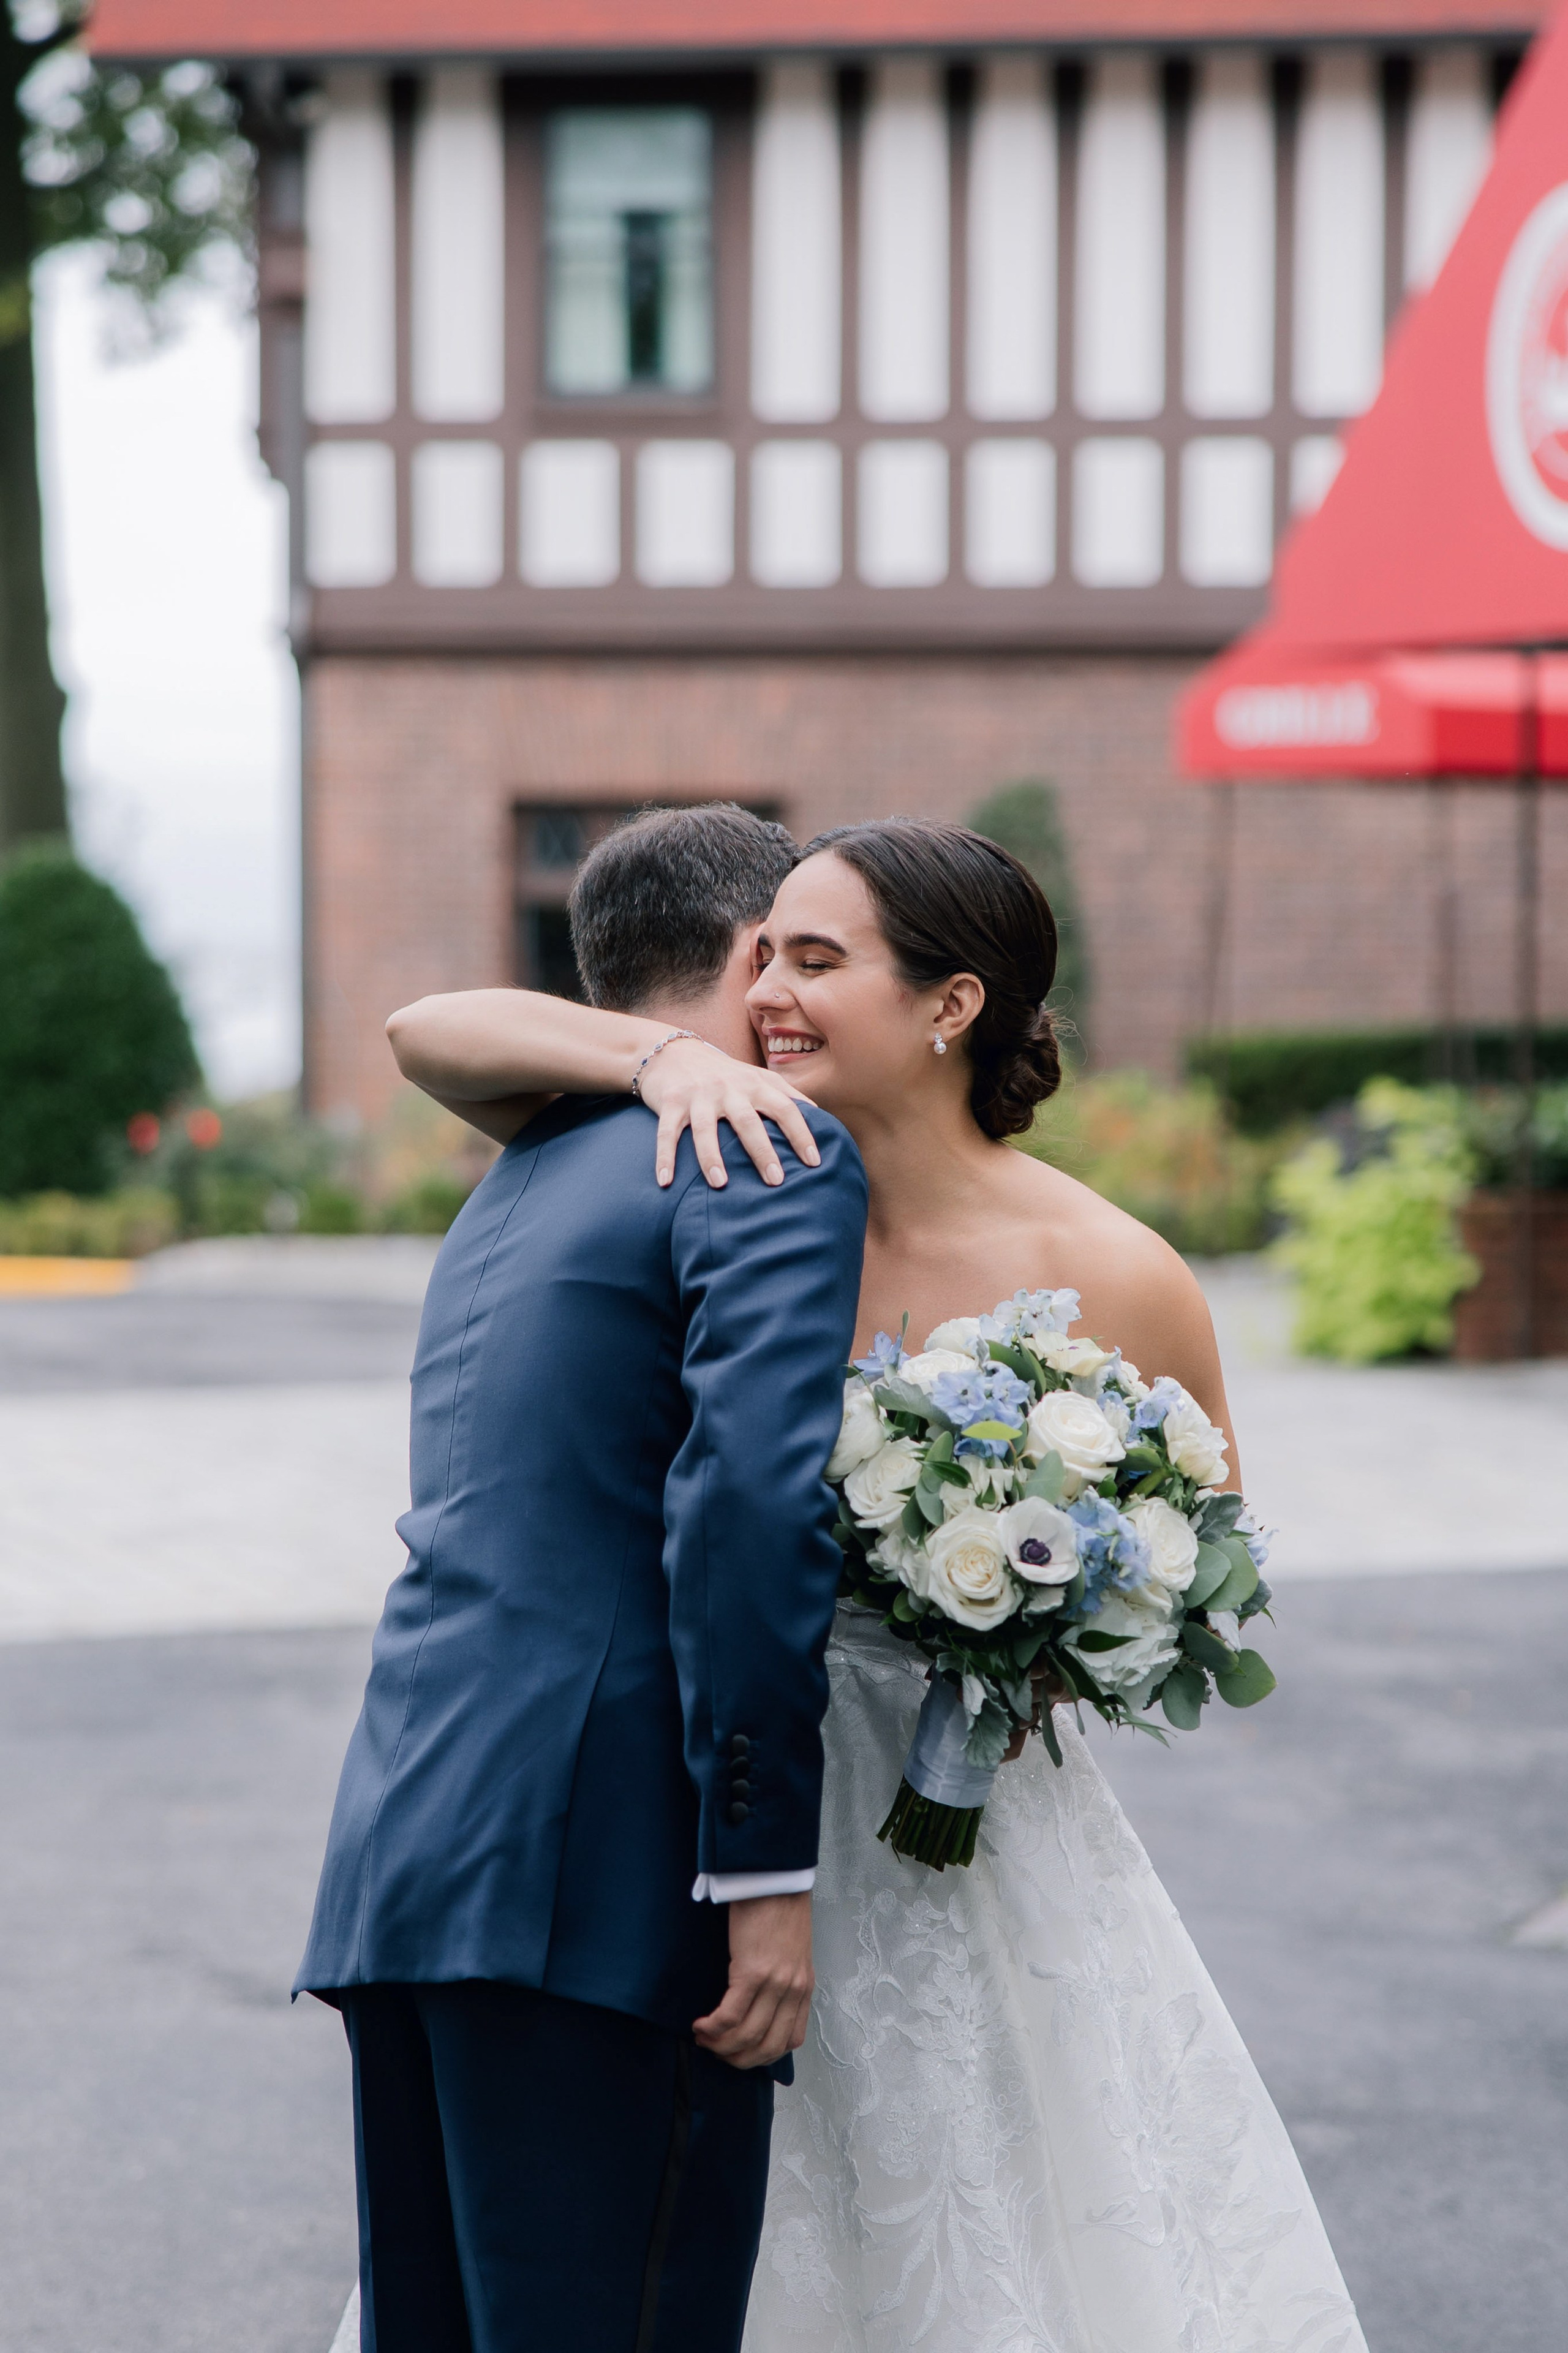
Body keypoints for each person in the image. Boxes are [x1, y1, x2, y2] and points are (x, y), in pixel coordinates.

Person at [392, 810, 1371, 2353]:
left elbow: (1201, 1550)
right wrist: (658, 1059)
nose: (764, 989)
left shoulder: (1114, 1265)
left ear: (949, 1003)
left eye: (813, 958)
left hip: (961, 1824)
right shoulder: (733, 1171)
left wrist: (1024, 1620)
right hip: (706, 1805)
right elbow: (441, 1029)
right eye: (763, 952)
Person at [295, 803, 869, 2353]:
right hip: (602, 1879)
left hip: (413, 1844)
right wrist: (757, 1874)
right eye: (799, 951)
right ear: (758, 960)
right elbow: (746, 1510)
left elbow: (437, 1029)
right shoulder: (761, 1147)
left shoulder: (535, 1159)